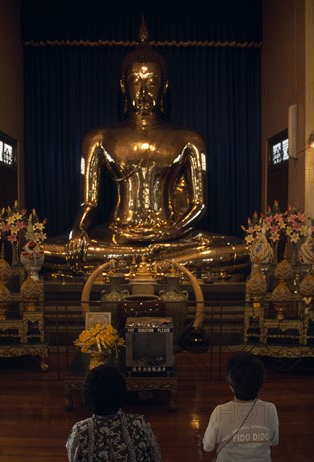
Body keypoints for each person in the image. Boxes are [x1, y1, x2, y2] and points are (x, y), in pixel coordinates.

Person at [45, 20, 248, 276]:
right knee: (46, 250)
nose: (143, 92)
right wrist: (78, 231)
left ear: (164, 87)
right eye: (135, 81)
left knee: (239, 248)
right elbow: (89, 203)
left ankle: (134, 263)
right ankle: (156, 264)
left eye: (151, 82)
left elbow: (200, 205)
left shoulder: (188, 139)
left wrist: (168, 232)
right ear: (123, 86)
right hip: (116, 236)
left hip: (171, 237)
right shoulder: (98, 137)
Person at [203, 352, 279, 462]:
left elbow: (207, 447)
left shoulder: (220, 412)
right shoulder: (270, 409)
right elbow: (274, 441)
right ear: (261, 385)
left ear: (230, 384)